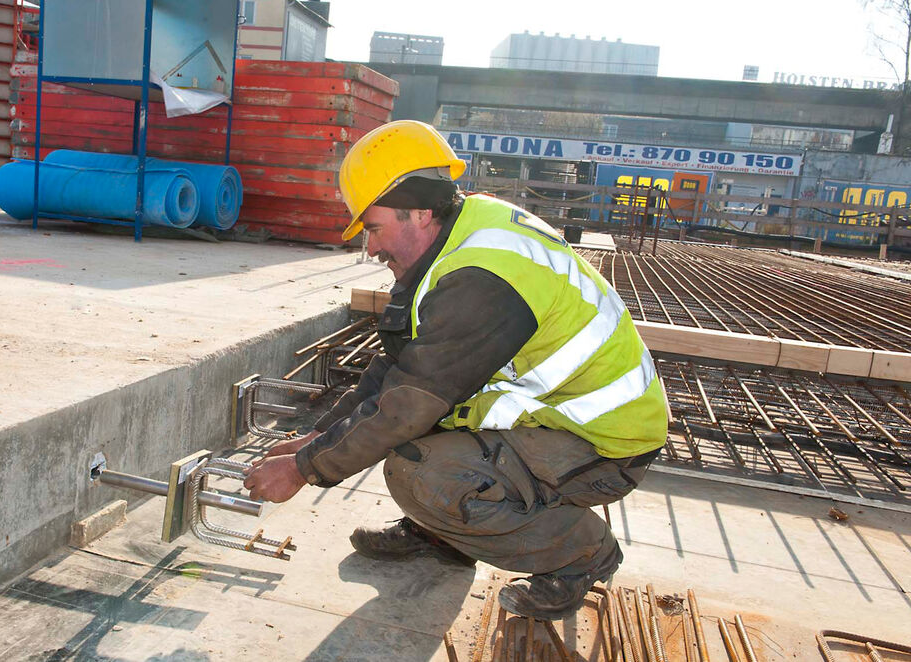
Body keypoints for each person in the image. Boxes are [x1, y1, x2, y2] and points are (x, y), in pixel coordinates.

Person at [243, 120, 667, 620]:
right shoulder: (462, 235)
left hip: (603, 444)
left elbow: (407, 404)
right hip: (554, 418)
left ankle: (581, 553)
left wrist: (303, 469)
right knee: (423, 434)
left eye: (374, 229)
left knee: (419, 470)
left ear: (419, 211)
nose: (371, 248)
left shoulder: (483, 276)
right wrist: (318, 437)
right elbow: (399, 366)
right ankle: (447, 535)